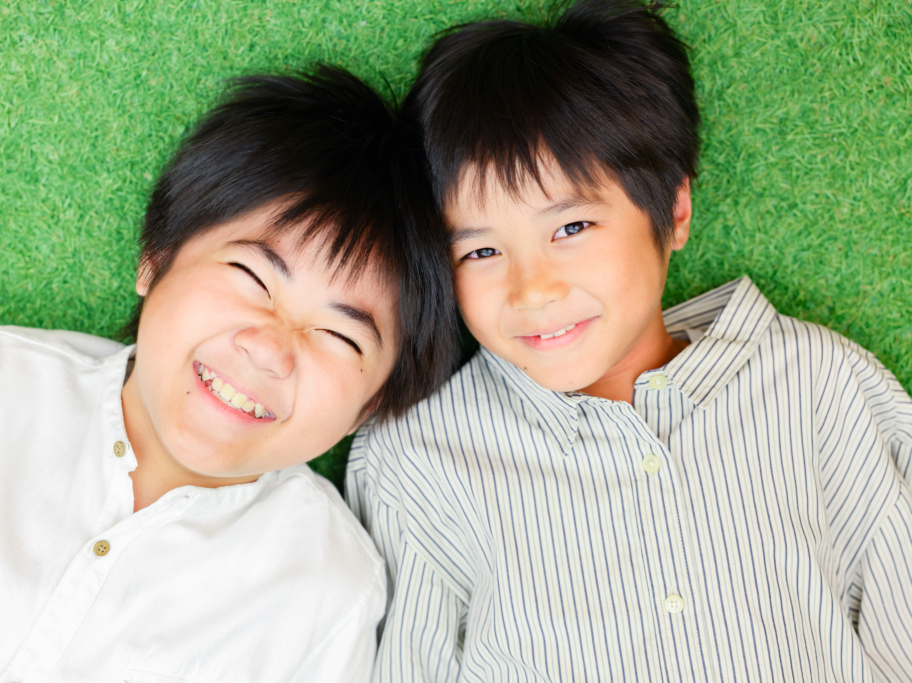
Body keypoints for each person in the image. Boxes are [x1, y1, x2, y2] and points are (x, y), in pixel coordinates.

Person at [346, 1, 912, 680]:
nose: (532, 290)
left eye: (571, 228)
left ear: (674, 209)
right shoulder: (416, 459)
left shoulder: (820, 385)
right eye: (481, 251)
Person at [0, 66, 459, 682]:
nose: (270, 349)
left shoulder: (329, 595)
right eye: (252, 277)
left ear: (370, 406)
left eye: (340, 336)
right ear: (155, 258)